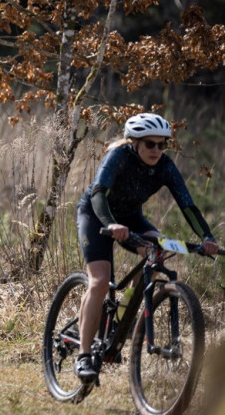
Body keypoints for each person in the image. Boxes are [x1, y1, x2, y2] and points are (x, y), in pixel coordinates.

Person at [74, 113, 220, 382]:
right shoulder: (118, 157)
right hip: (96, 215)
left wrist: (207, 238)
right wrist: (110, 225)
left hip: (130, 219)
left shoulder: (164, 166)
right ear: (135, 142)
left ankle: (119, 317)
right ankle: (83, 356)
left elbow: (187, 205)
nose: (156, 150)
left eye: (162, 144)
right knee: (100, 281)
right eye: (150, 144)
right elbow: (98, 194)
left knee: (160, 251)